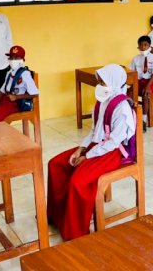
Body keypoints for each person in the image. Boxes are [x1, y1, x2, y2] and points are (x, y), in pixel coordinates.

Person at [47, 64, 136, 240]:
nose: (99, 86)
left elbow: (113, 142)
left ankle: (75, 232)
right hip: (96, 146)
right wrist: (81, 148)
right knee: (56, 164)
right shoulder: (103, 101)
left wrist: (87, 156)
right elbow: (94, 131)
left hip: (112, 151)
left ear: (113, 82)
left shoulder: (122, 108)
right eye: (99, 81)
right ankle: (58, 215)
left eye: (103, 82)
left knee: (78, 182)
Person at [0, 45, 38, 126]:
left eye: (16, 58)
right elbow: (2, 91)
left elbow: (35, 93)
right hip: (5, 99)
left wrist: (16, 97)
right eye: (11, 58)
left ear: (22, 60)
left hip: (15, 104)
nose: (12, 60)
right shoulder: (9, 73)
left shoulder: (25, 74)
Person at [130, 35, 153, 131]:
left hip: (151, 81)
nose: (143, 47)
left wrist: (147, 87)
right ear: (138, 47)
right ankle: (133, 117)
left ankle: (143, 120)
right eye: (141, 45)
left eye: (145, 45)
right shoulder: (136, 58)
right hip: (139, 81)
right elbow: (131, 72)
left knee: (145, 94)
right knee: (129, 93)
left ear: (149, 46)